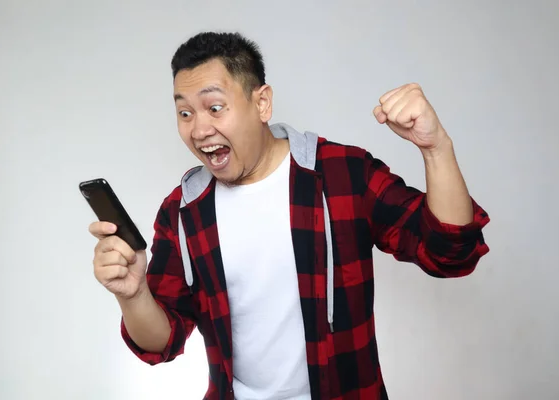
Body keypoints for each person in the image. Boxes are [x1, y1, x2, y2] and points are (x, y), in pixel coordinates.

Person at [88, 31, 490, 400]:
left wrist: (436, 148)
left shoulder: (341, 175)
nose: (198, 129)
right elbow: (162, 341)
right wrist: (133, 294)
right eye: (185, 113)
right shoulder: (184, 211)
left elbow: (450, 252)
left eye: (214, 107)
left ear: (261, 103)